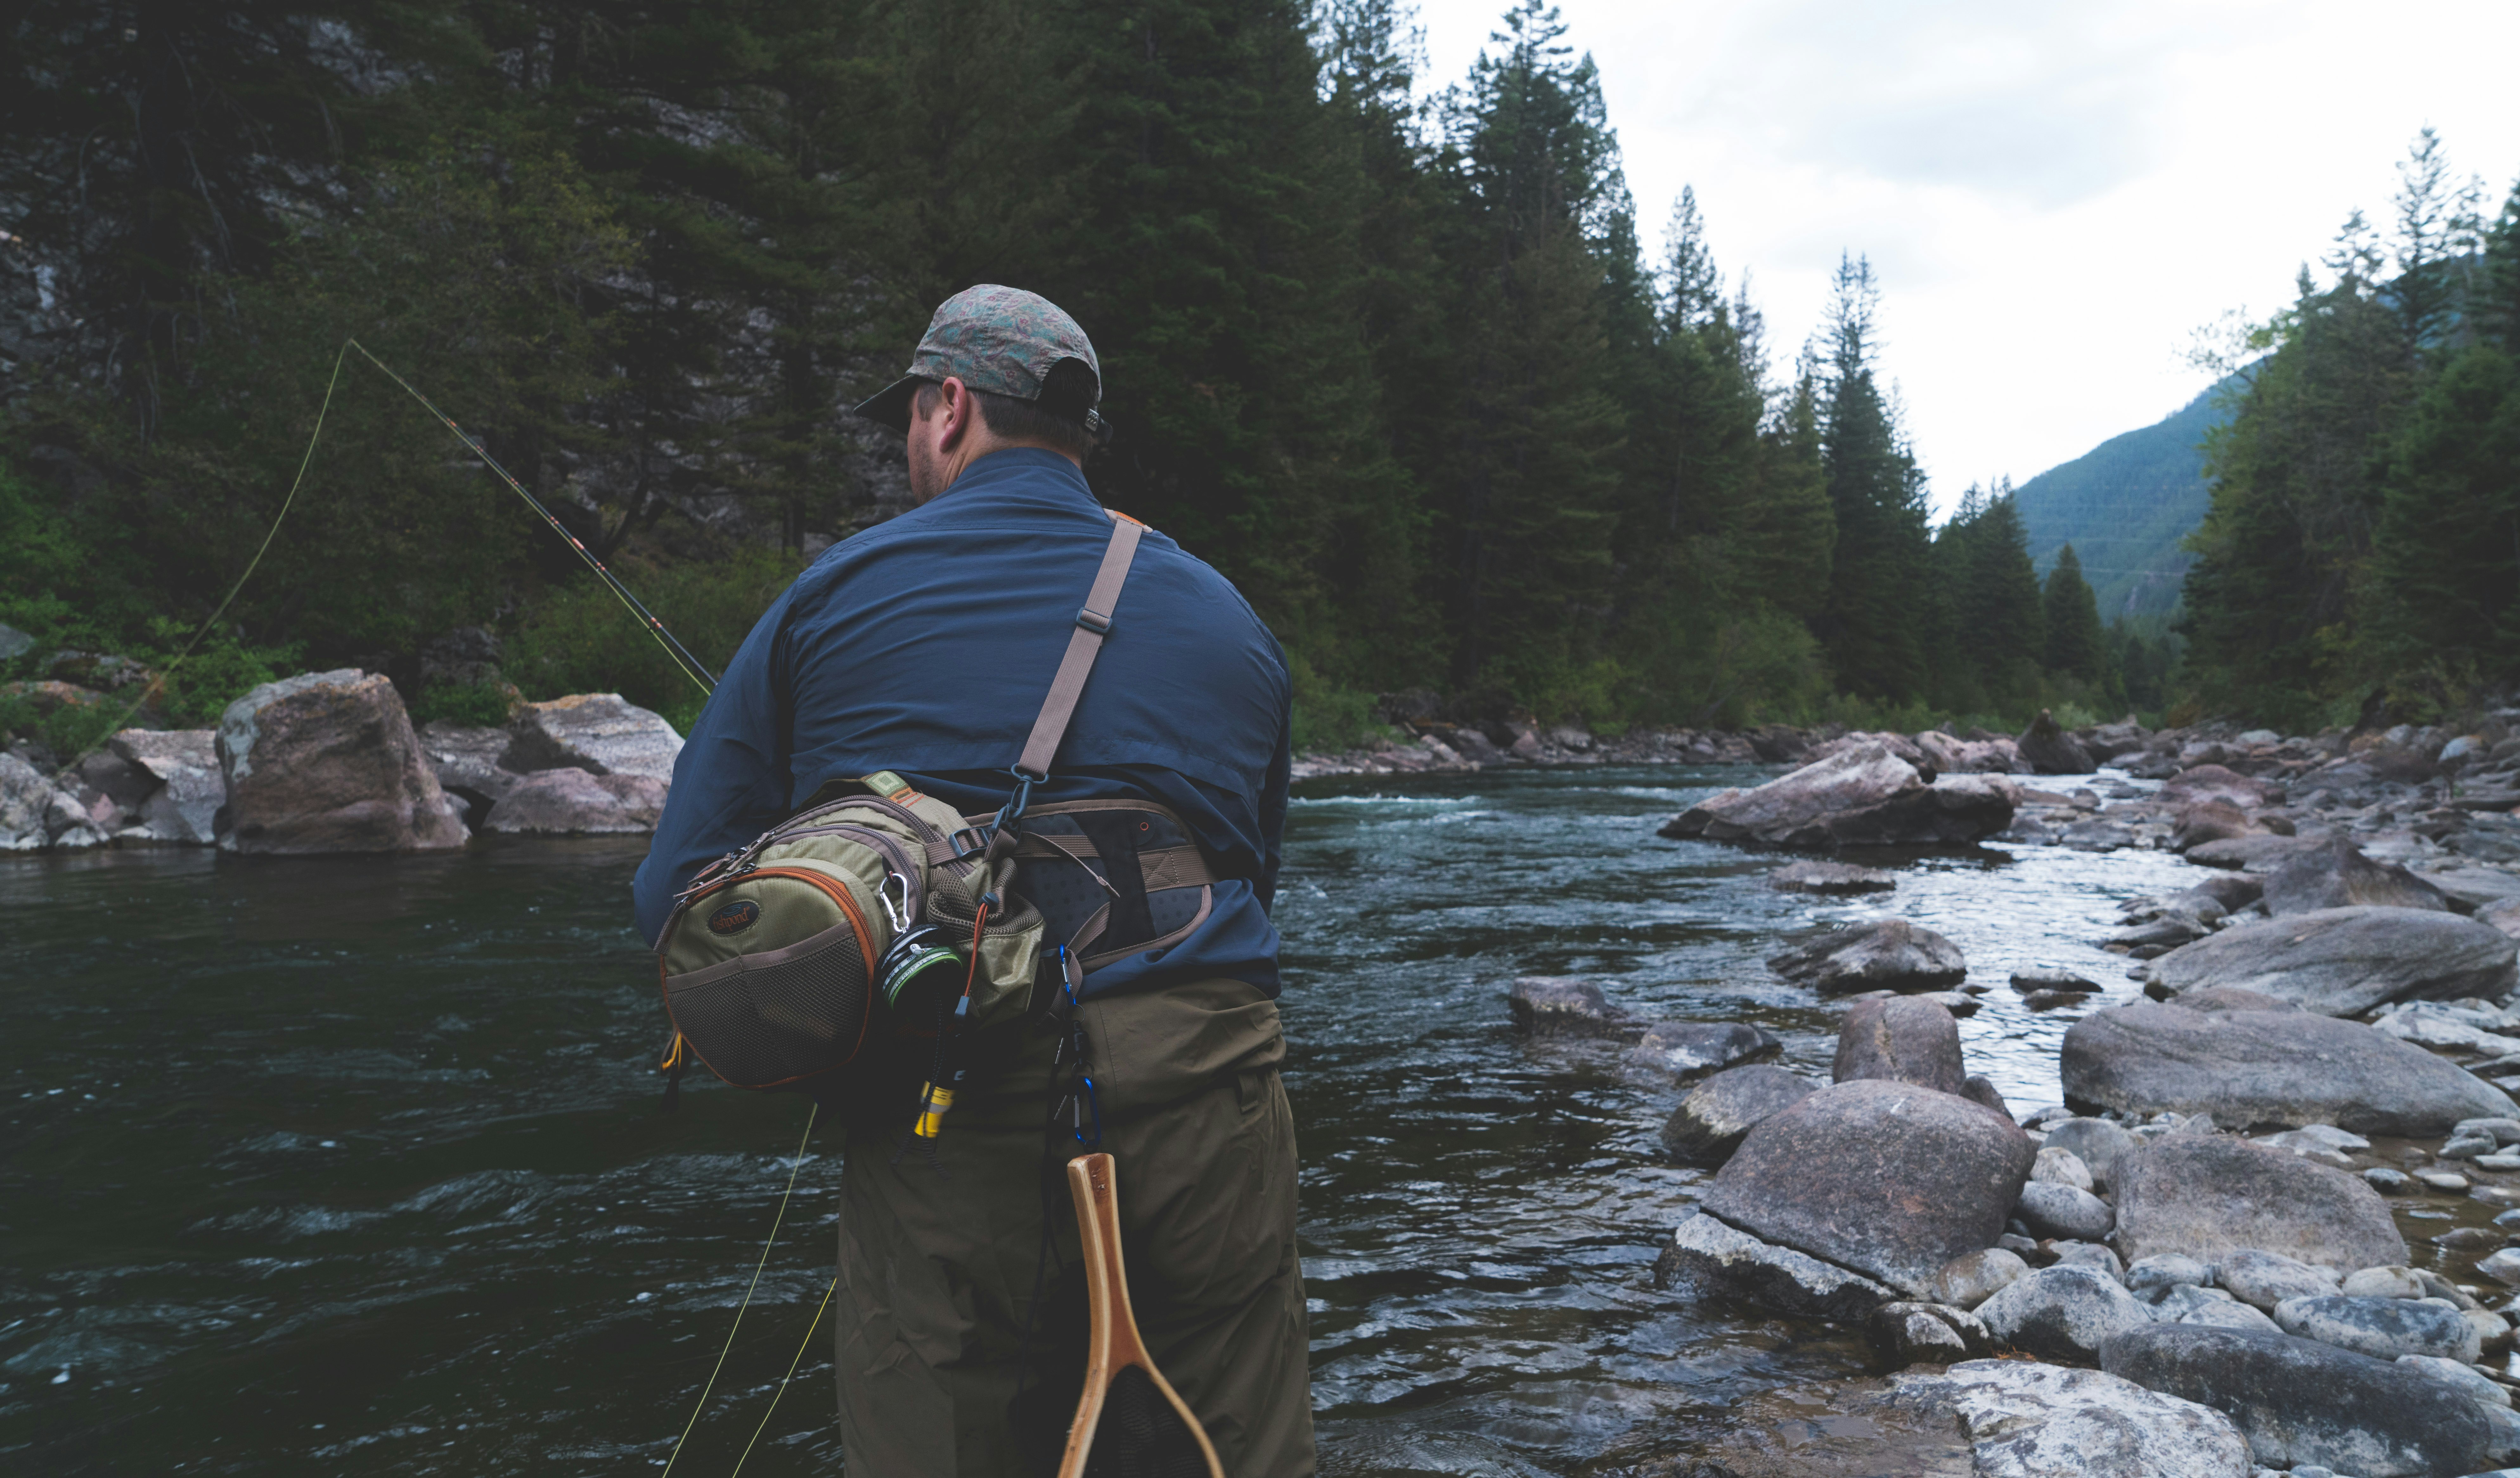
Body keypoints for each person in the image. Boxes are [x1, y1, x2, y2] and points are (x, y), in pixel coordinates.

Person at [633, 284, 1314, 1476]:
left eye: (909, 415)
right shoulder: (1227, 617)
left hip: (940, 1091)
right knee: (1238, 1445)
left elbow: (680, 898)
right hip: (1203, 1087)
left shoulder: (830, 597)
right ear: (1075, 432)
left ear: (949, 409)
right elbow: (1255, 868)